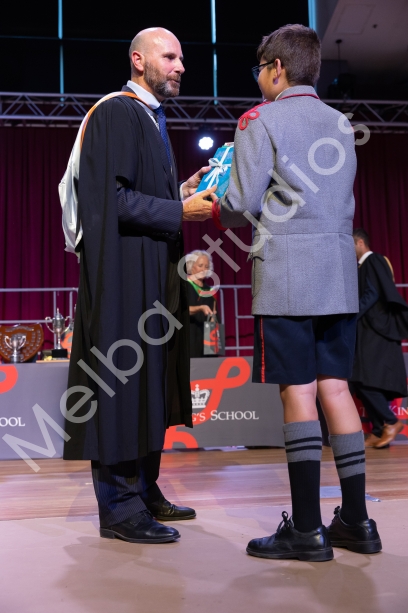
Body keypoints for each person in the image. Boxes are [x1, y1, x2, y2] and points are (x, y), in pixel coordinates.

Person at [213, 24, 382, 561]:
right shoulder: (340, 123)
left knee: (299, 394)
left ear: (277, 69)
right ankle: (357, 521)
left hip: (287, 273)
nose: (259, 78)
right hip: (337, 273)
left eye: (259, 69)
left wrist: (213, 196)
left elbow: (241, 204)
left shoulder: (259, 119)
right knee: (337, 390)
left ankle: (307, 529)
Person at [62, 27, 216, 544]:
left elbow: (136, 193)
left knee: (152, 380)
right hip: (124, 278)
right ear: (138, 60)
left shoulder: (151, 117)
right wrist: (179, 211)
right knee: (123, 386)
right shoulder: (116, 112)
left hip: (154, 272)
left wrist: (179, 193)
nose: (180, 66)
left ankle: (145, 488)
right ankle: (119, 507)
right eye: (169, 56)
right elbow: (112, 201)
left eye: (181, 57)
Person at [349, 228, 408, 448]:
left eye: (351, 245)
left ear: (360, 243)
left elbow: (372, 294)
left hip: (376, 331)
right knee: (359, 380)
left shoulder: (373, 260)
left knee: (365, 379)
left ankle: (391, 422)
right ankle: (377, 428)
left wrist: (352, 317)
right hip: (365, 331)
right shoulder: (360, 267)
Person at [186, 250, 218, 357]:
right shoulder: (183, 286)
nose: (204, 269)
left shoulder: (210, 291)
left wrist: (214, 317)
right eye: (200, 266)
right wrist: (200, 308)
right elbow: (181, 310)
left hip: (206, 339)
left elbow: (214, 313)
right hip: (188, 336)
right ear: (191, 266)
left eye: (206, 266)